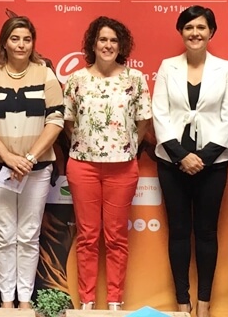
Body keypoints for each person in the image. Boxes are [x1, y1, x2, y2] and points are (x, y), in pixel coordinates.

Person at [152, 5, 228, 317]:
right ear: (181, 32)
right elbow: (159, 113)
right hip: (172, 162)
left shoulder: (225, 69)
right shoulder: (168, 67)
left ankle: (204, 304)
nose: (195, 33)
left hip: (212, 165)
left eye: (201, 27)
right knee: (178, 233)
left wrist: (202, 159)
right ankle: (182, 304)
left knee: (206, 233)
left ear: (211, 32)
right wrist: (181, 156)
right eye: (189, 27)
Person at [0, 16, 64, 309]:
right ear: (4, 43)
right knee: (4, 236)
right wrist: (8, 157)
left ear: (33, 43)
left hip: (36, 169)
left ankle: (24, 301)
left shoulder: (45, 75)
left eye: (27, 39)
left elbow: (56, 120)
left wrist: (29, 158)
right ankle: (6, 302)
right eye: (15, 39)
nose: (21, 45)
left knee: (28, 235)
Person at [63, 16, 152, 311]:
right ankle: (87, 301)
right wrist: (87, 144)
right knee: (88, 236)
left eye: (114, 40)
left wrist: (127, 147)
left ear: (121, 46)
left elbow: (142, 122)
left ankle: (115, 301)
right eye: (103, 39)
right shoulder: (76, 80)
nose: (108, 45)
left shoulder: (135, 79)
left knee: (116, 237)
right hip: (83, 166)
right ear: (93, 43)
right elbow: (68, 122)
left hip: (122, 167)